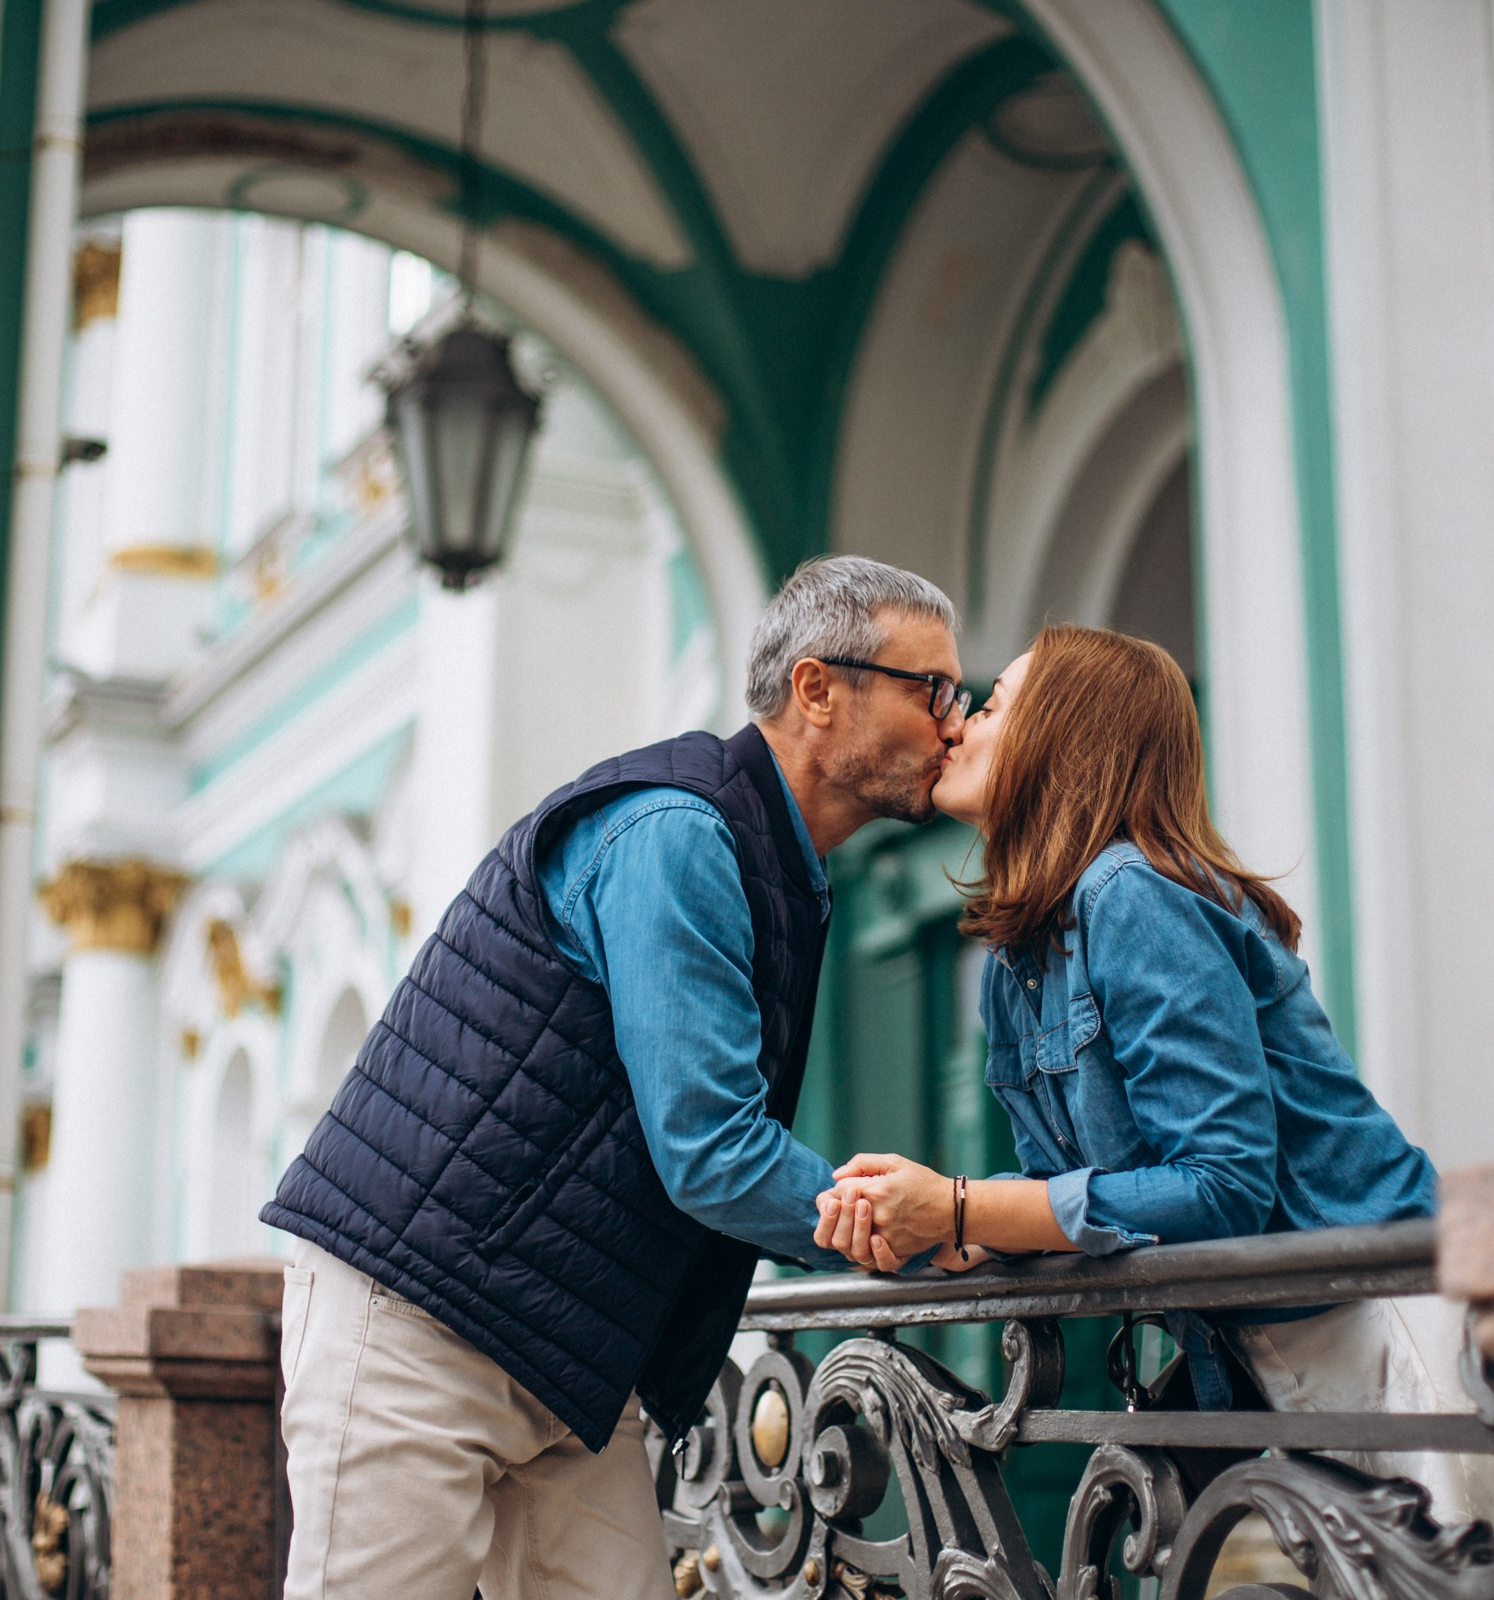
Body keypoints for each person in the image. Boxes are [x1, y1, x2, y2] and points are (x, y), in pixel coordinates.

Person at [260, 555, 971, 1600]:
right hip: (419, 1322)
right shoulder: (681, 833)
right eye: (934, 690)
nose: (955, 721)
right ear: (818, 690)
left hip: (564, 1348)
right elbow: (712, 1153)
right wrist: (930, 1228)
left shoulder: (769, 857)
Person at [812, 623, 1494, 1527]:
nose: (960, 725)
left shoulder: (1127, 894)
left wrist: (965, 1206)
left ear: (1065, 739)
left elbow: (1223, 1185)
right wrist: (951, 1233)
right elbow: (1077, 1197)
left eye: (993, 705)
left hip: (1394, 1319)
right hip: (1279, 1350)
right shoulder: (1021, 958)